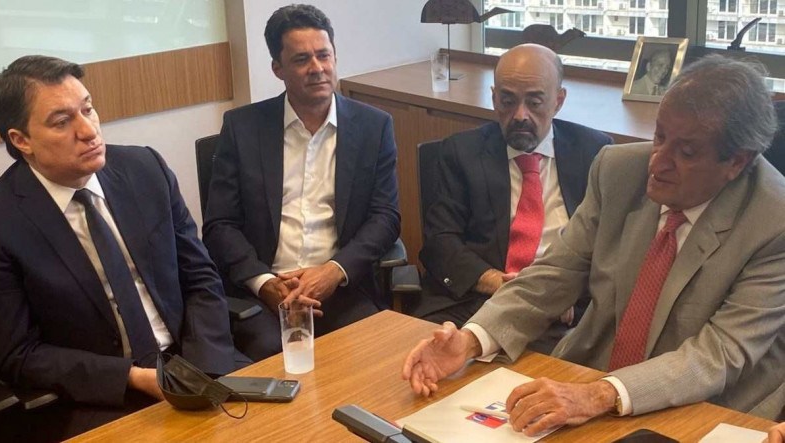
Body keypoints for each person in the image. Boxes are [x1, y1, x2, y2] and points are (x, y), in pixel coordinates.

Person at [402, 54, 785, 436]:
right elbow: (554, 275)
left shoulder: (774, 222)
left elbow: (719, 354)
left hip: (709, 408)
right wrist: (470, 340)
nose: (658, 163)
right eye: (659, 137)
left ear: (737, 163)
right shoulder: (618, 170)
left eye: (686, 153)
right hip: (595, 376)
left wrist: (599, 394)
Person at [0, 55, 239, 441]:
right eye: (62, 122)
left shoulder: (145, 169)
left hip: (193, 361)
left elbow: (200, 277)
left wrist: (204, 366)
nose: (89, 131)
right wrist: (131, 377)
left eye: (88, 109)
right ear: (21, 140)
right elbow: (18, 354)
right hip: (97, 397)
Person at [203, 4, 400, 361]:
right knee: (273, 363)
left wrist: (333, 271)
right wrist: (265, 283)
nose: (317, 68)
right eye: (301, 59)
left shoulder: (375, 127)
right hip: (267, 294)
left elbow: (385, 218)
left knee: (372, 356)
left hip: (341, 287)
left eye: (324, 55)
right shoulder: (242, 128)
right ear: (277, 69)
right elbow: (220, 225)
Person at [407, 44, 612, 353]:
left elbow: (608, 247)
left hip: (563, 313)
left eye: (534, 102)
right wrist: (495, 281)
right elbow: (440, 241)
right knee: (428, 359)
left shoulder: (594, 152)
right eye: (508, 100)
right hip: (476, 300)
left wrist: (562, 292)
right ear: (494, 98)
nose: (520, 115)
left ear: (558, 101)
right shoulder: (461, 152)